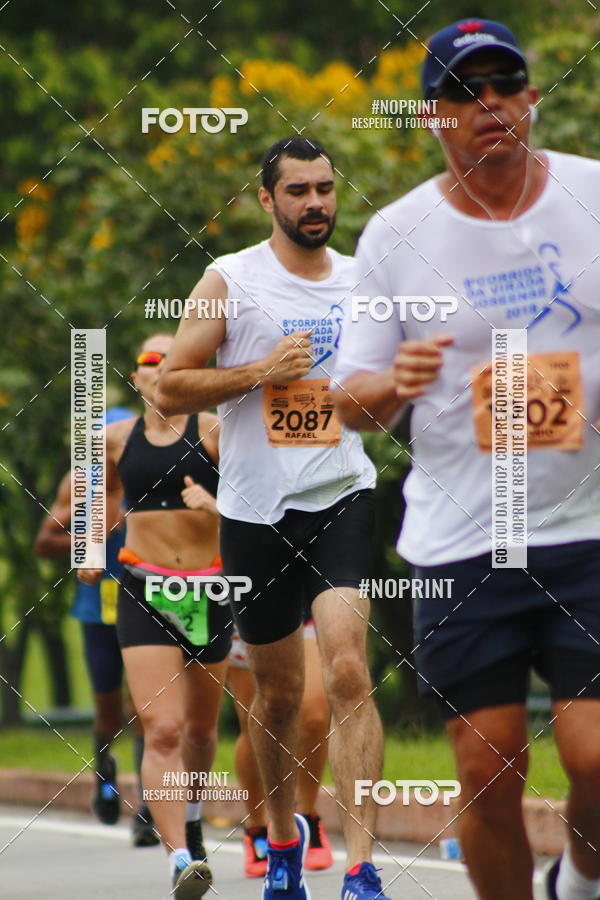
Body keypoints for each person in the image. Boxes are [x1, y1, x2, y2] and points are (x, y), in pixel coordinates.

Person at [331, 18, 600, 900]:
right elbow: (349, 400)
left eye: (502, 85)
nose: (487, 105)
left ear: (530, 97)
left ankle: (584, 874)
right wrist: (395, 383)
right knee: (487, 773)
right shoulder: (394, 236)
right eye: (461, 91)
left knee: (593, 757)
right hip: (461, 540)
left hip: (589, 523)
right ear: (431, 115)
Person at [156, 136, 392, 900]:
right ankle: (284, 843)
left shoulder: (366, 280)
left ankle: (361, 867)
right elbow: (170, 390)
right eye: (298, 191)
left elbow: (389, 385)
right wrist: (261, 372)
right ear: (268, 199)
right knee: (279, 696)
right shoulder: (229, 280)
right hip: (255, 510)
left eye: (325, 189)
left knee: (350, 671)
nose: (316, 203)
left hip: (343, 493)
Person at [78, 333, 232, 899]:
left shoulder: (215, 430)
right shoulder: (113, 438)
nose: (161, 368)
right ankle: (179, 858)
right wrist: (89, 550)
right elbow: (98, 493)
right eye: (149, 360)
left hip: (210, 590)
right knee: (161, 727)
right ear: (136, 377)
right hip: (144, 588)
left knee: (198, 730)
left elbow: (261, 505)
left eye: (175, 361)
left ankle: (191, 814)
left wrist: (217, 506)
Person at [35, 407, 159, 847]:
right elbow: (44, 540)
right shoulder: (80, 485)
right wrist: (86, 543)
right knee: (108, 709)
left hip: (147, 604)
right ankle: (105, 778)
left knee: (146, 708)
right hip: (96, 611)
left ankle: (149, 808)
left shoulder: (150, 478)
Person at [227, 615, 333, 879]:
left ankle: (307, 816)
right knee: (256, 719)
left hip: (304, 604)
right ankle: (257, 829)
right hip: (245, 599)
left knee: (315, 715)